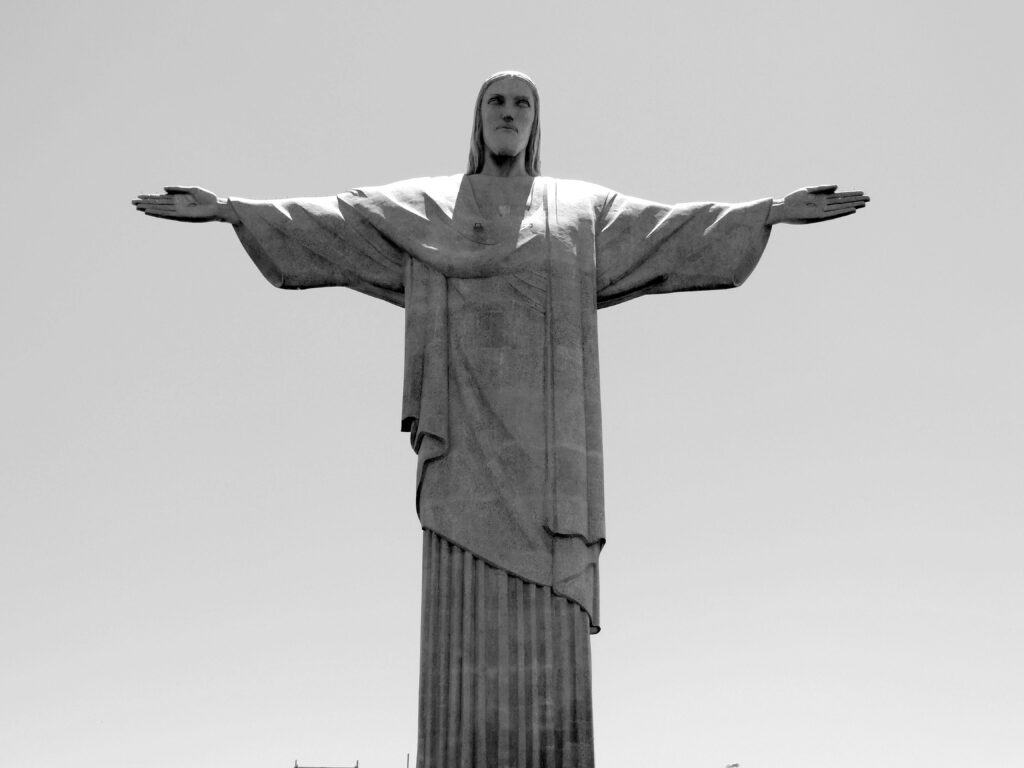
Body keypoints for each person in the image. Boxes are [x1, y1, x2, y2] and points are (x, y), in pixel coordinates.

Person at [133, 70, 869, 768]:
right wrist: (232, 210)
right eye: (497, 101)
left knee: (551, 628)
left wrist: (769, 213)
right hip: (462, 448)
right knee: (460, 611)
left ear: (536, 122)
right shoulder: (427, 208)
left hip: (552, 461)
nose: (510, 112)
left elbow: (672, 230)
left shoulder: (579, 210)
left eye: (522, 102)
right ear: (478, 120)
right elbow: (338, 221)